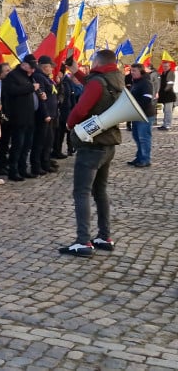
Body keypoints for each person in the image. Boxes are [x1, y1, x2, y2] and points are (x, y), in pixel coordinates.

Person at [59, 50, 123, 257]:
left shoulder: (98, 81)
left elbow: (81, 109)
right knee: (100, 191)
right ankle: (104, 237)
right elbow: (94, 84)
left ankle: (83, 241)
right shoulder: (115, 77)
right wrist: (75, 71)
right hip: (108, 143)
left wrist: (69, 124)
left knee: (82, 192)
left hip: (92, 144)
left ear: (97, 61)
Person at [2, 54, 41, 181]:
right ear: (24, 65)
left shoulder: (28, 76)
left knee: (26, 145)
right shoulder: (13, 76)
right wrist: (31, 87)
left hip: (29, 116)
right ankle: (13, 170)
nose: (33, 70)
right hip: (18, 116)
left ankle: (23, 168)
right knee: (18, 144)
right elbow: (13, 91)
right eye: (31, 67)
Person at [30, 55, 59, 175]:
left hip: (51, 114)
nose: (51, 69)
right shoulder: (38, 77)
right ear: (44, 67)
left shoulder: (46, 78)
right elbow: (41, 97)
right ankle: (36, 165)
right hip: (43, 115)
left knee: (48, 141)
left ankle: (45, 163)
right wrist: (46, 114)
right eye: (50, 67)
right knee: (40, 142)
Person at [129, 63, 156, 167]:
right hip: (137, 114)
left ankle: (145, 159)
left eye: (134, 71)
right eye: (131, 70)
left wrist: (136, 107)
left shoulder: (146, 83)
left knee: (143, 138)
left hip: (145, 115)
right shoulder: (136, 82)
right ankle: (139, 157)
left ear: (141, 71)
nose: (132, 73)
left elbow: (147, 98)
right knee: (136, 136)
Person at [157, 59, 175, 131]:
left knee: (168, 111)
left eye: (166, 66)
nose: (165, 67)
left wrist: (163, 91)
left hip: (169, 95)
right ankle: (164, 124)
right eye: (164, 66)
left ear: (169, 66)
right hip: (164, 95)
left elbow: (170, 85)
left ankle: (167, 125)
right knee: (165, 111)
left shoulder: (170, 73)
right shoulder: (163, 73)